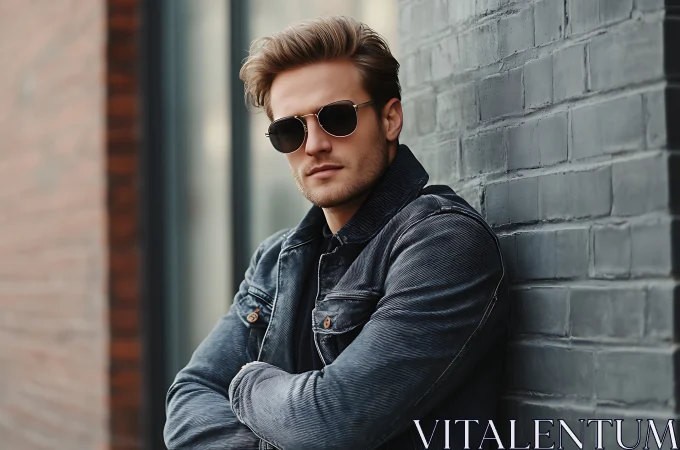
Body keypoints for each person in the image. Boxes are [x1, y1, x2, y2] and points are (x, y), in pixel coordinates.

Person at [164, 16, 510, 450]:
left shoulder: (443, 244)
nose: (313, 145)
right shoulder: (275, 261)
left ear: (390, 119)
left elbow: (329, 423)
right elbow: (188, 400)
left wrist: (247, 382)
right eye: (290, 130)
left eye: (337, 117)